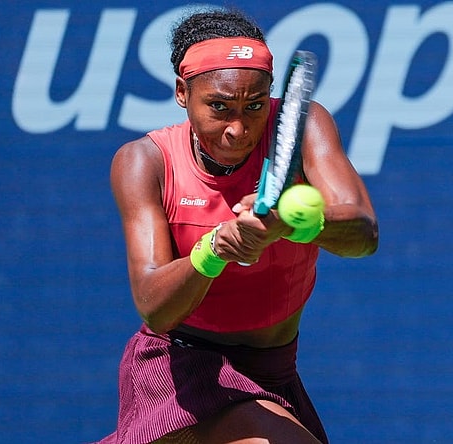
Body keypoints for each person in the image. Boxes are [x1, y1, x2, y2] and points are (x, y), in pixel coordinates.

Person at [99, 7, 378, 444]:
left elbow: (363, 234)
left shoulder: (305, 126)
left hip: (274, 369)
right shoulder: (143, 161)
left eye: (254, 107)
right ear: (181, 92)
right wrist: (216, 248)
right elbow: (155, 305)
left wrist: (291, 223)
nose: (238, 128)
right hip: (179, 369)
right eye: (219, 107)